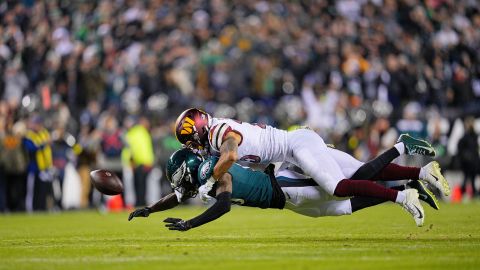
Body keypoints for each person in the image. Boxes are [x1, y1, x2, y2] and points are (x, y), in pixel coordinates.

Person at [173, 108, 450, 225]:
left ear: (196, 128)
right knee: (361, 173)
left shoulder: (218, 133)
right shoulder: (213, 136)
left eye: (189, 139)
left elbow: (231, 157)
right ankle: (421, 172)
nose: (192, 145)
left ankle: (403, 195)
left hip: (295, 146)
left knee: (338, 188)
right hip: (290, 153)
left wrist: (211, 180)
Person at [128, 148, 443, 230]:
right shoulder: (198, 177)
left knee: (345, 187)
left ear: (186, 169)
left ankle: (402, 163)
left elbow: (224, 205)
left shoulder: (210, 169)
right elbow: (178, 196)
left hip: (283, 185)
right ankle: (408, 185)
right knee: (338, 208)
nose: (178, 184)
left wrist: (189, 224)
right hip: (282, 199)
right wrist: (150, 209)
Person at [457, 117, 480, 198]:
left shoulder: (476, 136)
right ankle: (462, 194)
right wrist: (465, 157)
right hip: (466, 163)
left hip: (474, 163)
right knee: (465, 180)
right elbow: (460, 151)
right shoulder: (464, 138)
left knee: (473, 180)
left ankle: (473, 194)